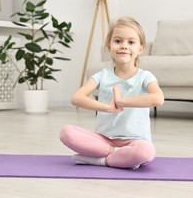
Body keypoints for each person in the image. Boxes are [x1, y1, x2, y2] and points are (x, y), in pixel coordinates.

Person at [60, 16, 164, 169]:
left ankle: (100, 160)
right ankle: (116, 155)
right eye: (117, 41)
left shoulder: (145, 77)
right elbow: (76, 98)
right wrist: (107, 108)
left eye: (131, 42)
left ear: (140, 48)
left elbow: (158, 98)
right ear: (109, 46)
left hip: (135, 142)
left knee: (145, 152)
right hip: (104, 140)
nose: (124, 46)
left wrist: (122, 102)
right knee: (66, 132)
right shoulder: (102, 75)